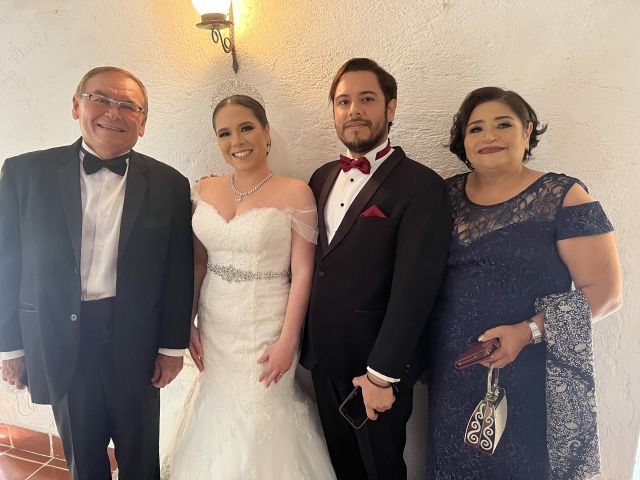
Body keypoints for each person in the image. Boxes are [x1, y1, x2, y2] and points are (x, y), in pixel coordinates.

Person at [0, 67, 194, 479]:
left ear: (142, 122)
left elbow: (178, 271)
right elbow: (6, 262)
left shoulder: (170, 184)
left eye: (129, 106)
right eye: (101, 99)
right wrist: (10, 346)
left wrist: (173, 346)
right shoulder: (24, 174)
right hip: (59, 336)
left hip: (136, 339)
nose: (114, 112)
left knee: (141, 460)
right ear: (77, 105)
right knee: (84, 462)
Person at [425, 87, 622, 479]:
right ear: (463, 141)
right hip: (454, 373)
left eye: (503, 124)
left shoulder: (564, 196)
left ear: (527, 131)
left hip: (530, 375)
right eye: (475, 128)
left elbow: (605, 293)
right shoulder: (443, 197)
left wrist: (526, 332)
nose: (489, 137)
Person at [161, 80, 336, 479]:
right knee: (217, 407)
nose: (236, 140)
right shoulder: (202, 189)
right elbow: (198, 262)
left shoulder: (296, 193)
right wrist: (187, 322)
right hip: (215, 321)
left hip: (267, 325)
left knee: (261, 414)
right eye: (224, 132)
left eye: (246, 128)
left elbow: (304, 271)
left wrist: (288, 340)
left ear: (266, 131)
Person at [301, 58, 452, 479]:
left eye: (367, 99)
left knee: (381, 470)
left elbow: (415, 289)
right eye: (343, 101)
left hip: (375, 368)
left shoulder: (422, 187)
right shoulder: (320, 178)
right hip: (323, 360)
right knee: (342, 469)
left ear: (391, 108)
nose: (354, 110)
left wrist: (382, 375)